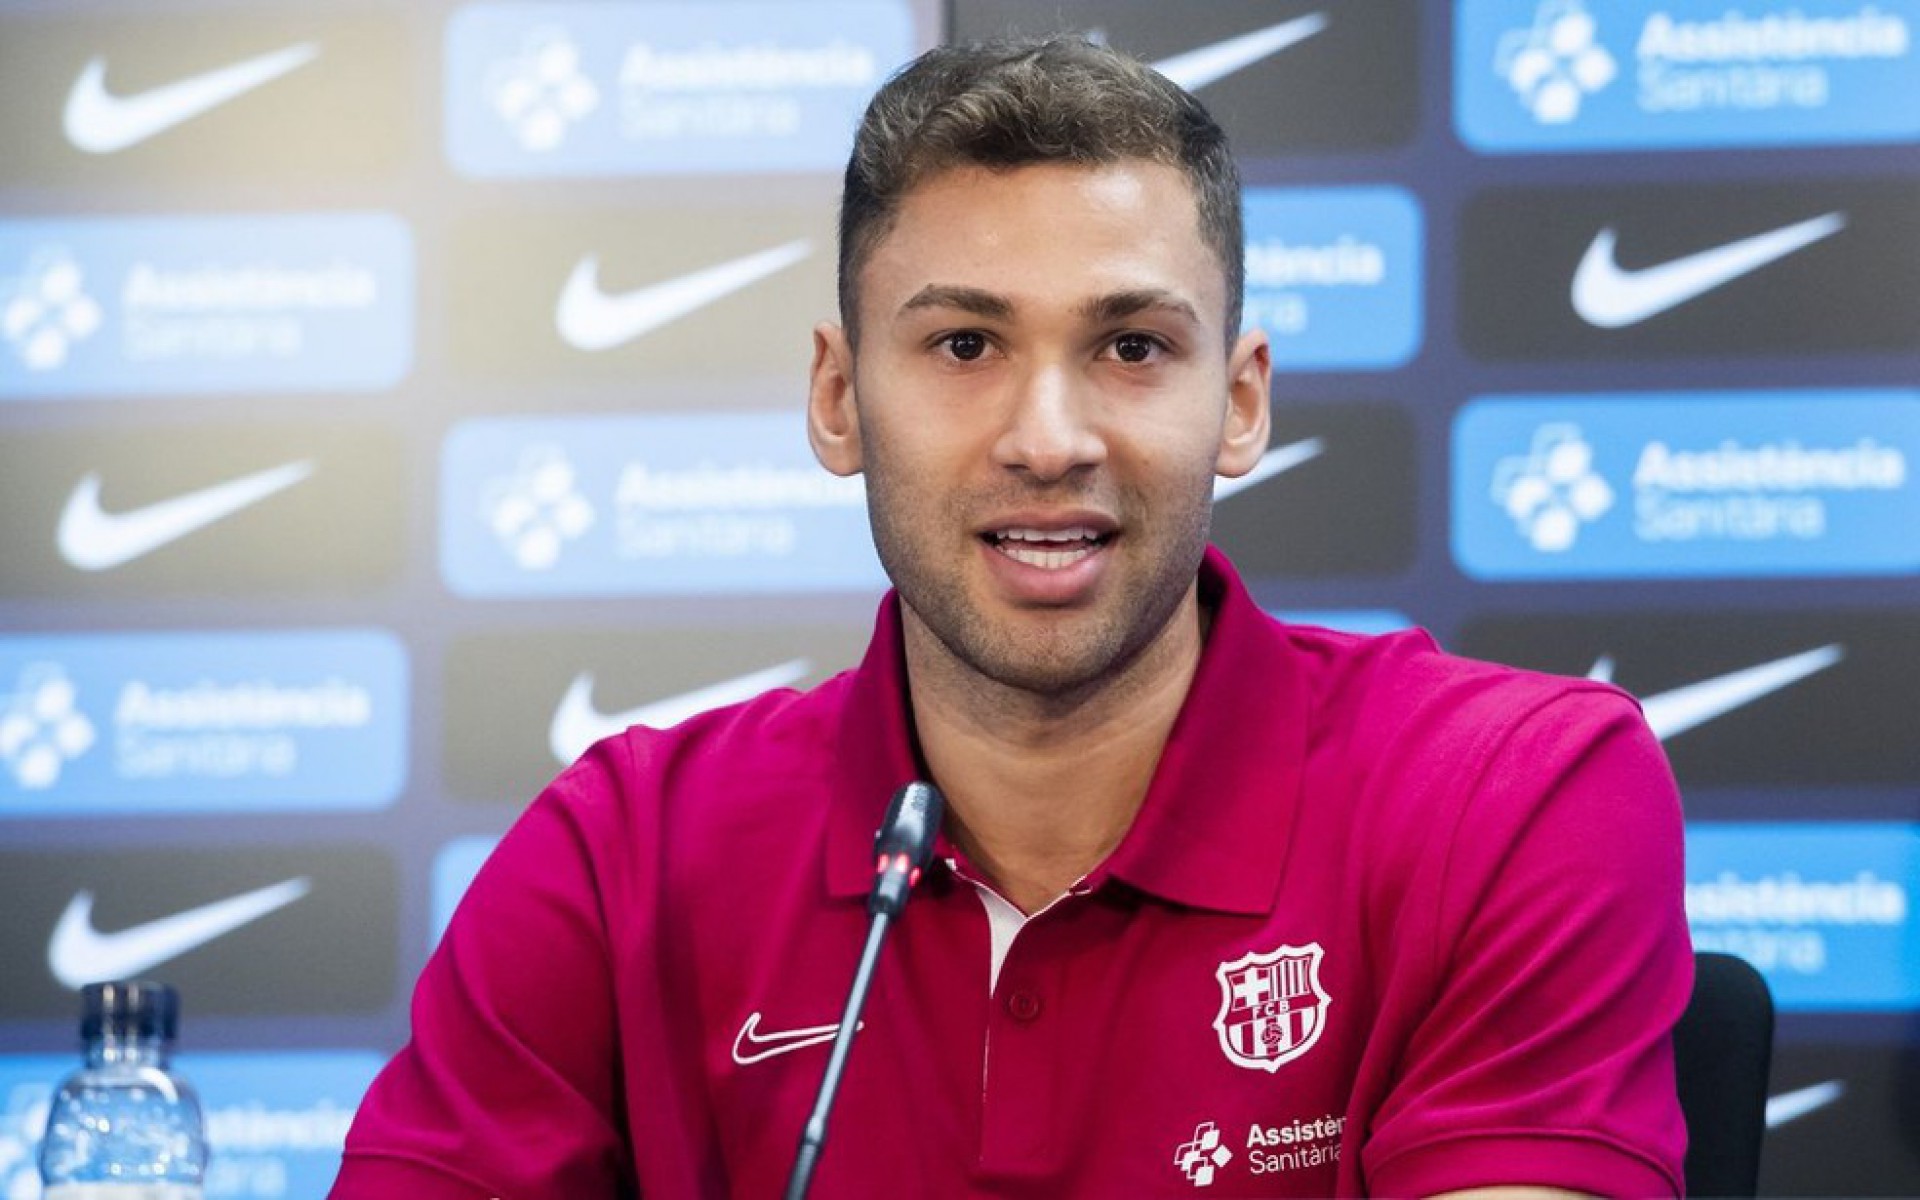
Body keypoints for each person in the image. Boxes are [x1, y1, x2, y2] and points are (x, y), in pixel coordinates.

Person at [332, 36, 1691, 1199]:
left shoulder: (1513, 793)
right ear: (838, 398)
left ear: (1241, 401)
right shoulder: (622, 850)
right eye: (965, 346)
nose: (1049, 439)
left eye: (1132, 347)